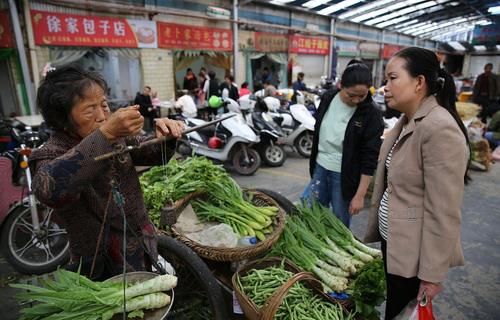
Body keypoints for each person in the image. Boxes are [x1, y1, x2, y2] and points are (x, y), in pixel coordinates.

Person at [30, 65, 184, 280]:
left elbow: (150, 153)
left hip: (140, 242)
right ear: (62, 118)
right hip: (99, 261)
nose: (102, 116)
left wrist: (165, 136)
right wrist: (105, 135)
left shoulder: (115, 138)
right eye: (89, 109)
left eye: (104, 105)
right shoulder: (51, 152)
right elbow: (49, 190)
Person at [364, 47, 470, 320]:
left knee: (402, 312)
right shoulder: (408, 120)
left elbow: (443, 212)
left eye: (392, 78)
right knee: (395, 309)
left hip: (414, 257)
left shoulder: (439, 128)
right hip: (397, 242)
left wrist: (432, 277)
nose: (384, 87)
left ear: (419, 82)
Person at [302, 60, 384, 227]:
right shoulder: (328, 97)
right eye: (351, 95)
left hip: (345, 177)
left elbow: (369, 158)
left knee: (339, 222)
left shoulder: (371, 114)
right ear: (341, 85)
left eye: (362, 95)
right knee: (308, 212)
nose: (356, 100)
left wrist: (360, 195)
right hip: (320, 167)